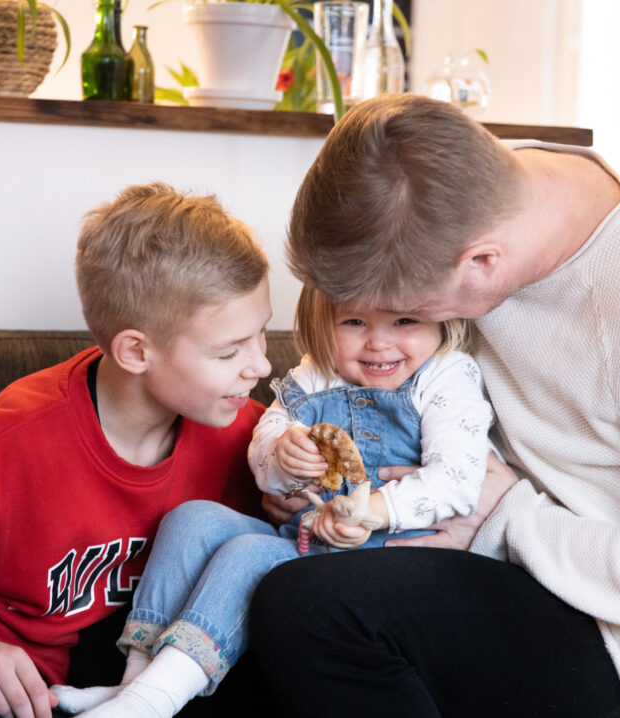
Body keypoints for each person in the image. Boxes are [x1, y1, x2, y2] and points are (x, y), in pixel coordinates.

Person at [248, 94, 620, 718]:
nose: (390, 333)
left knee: (306, 609)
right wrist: (308, 479)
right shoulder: (474, 194)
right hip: (444, 543)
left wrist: (510, 519)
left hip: (599, 625)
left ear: (484, 264)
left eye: (409, 313)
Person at [0, 183, 273, 718]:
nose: (262, 367)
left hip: (80, 670)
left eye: (262, 335)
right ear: (136, 351)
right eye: (230, 351)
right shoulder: (1, 455)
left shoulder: (243, 431)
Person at [50, 283, 493, 718]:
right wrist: (282, 456)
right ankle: (135, 686)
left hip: (383, 558)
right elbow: (264, 460)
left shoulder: (447, 377)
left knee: (252, 553)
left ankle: (155, 702)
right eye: (355, 321)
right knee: (192, 519)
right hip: (302, 538)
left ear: (442, 318)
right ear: (323, 323)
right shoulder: (313, 375)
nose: (378, 341)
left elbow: (456, 480)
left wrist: (372, 511)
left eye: (405, 320)